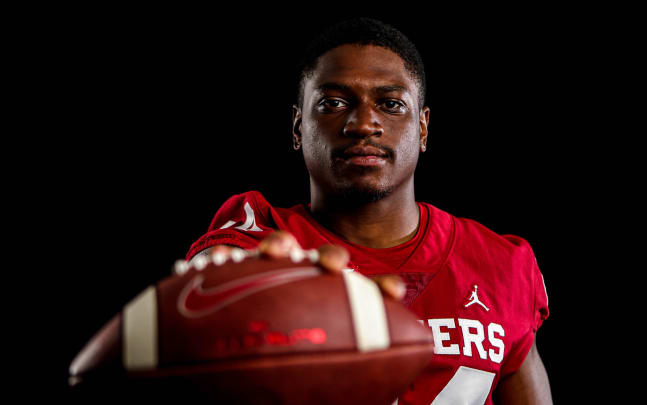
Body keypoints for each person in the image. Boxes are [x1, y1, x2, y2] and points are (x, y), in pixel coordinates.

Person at [186, 18, 552, 405]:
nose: (362, 124)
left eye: (390, 104)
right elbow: (209, 291)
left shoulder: (498, 262)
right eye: (334, 103)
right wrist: (237, 297)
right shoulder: (264, 236)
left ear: (423, 129)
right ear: (298, 128)